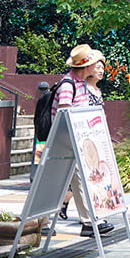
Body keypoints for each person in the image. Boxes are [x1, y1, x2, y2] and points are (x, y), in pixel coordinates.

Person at [54, 45, 113, 237]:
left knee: (73, 181)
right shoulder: (68, 85)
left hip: (77, 141)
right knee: (58, 182)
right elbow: (64, 115)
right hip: (65, 141)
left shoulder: (80, 84)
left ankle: (88, 222)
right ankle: (87, 222)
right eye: (93, 63)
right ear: (86, 66)